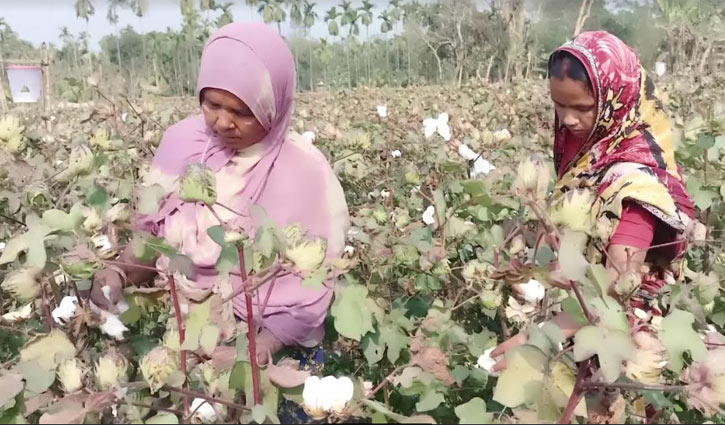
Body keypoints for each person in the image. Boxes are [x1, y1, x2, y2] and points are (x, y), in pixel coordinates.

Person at [89, 22, 350, 367]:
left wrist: (260, 349)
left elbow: (311, 284)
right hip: (185, 336)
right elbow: (153, 239)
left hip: (273, 348)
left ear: (274, 105)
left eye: (242, 112)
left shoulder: (305, 173)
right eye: (212, 104)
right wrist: (117, 273)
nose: (222, 123)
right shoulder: (180, 144)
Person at [491, 31, 696, 371]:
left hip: (622, 334)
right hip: (576, 310)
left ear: (616, 101)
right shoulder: (592, 149)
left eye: (583, 108)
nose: (568, 118)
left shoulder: (638, 185)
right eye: (559, 104)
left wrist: (539, 340)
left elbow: (615, 287)